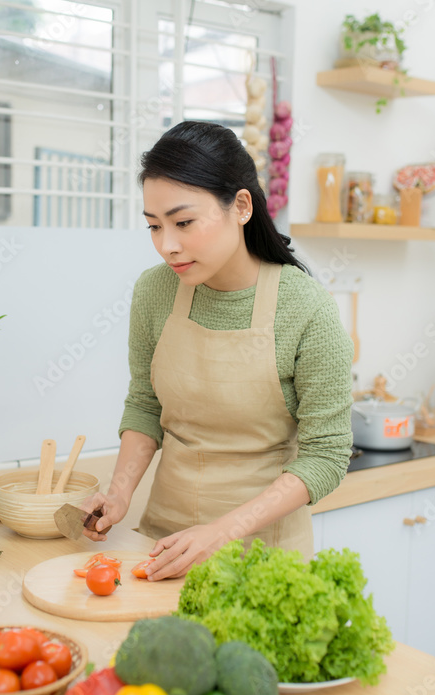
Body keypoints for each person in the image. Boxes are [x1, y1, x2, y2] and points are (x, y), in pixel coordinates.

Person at [83, 120, 354, 579]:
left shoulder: (306, 308)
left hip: (264, 559)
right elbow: (146, 404)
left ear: (242, 206)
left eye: (184, 222)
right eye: (154, 226)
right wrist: (120, 493)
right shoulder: (155, 292)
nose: (167, 246)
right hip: (162, 545)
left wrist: (222, 531)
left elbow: (327, 455)